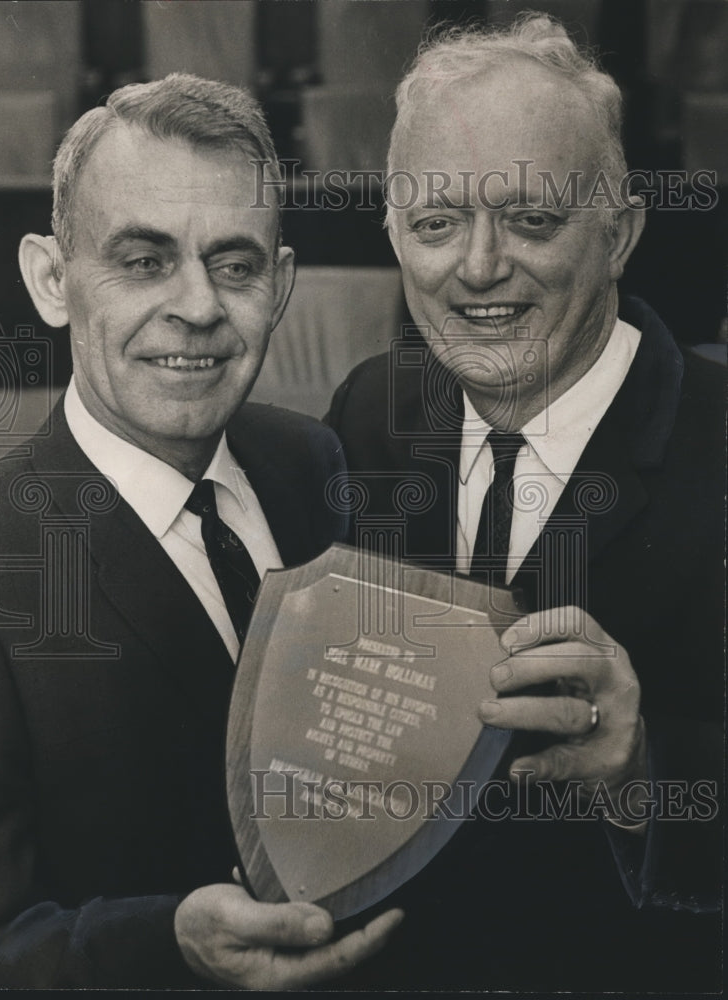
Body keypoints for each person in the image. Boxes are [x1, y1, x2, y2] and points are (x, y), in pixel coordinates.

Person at [0, 74, 403, 989]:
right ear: (52, 281)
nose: (200, 306)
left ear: (280, 285)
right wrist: (168, 941)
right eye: (143, 261)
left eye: (236, 263)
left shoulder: (313, 465)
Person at [326, 15, 724, 991]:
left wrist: (647, 771)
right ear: (391, 232)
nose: (476, 266)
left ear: (620, 230)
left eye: (532, 220)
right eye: (434, 223)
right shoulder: (366, 414)